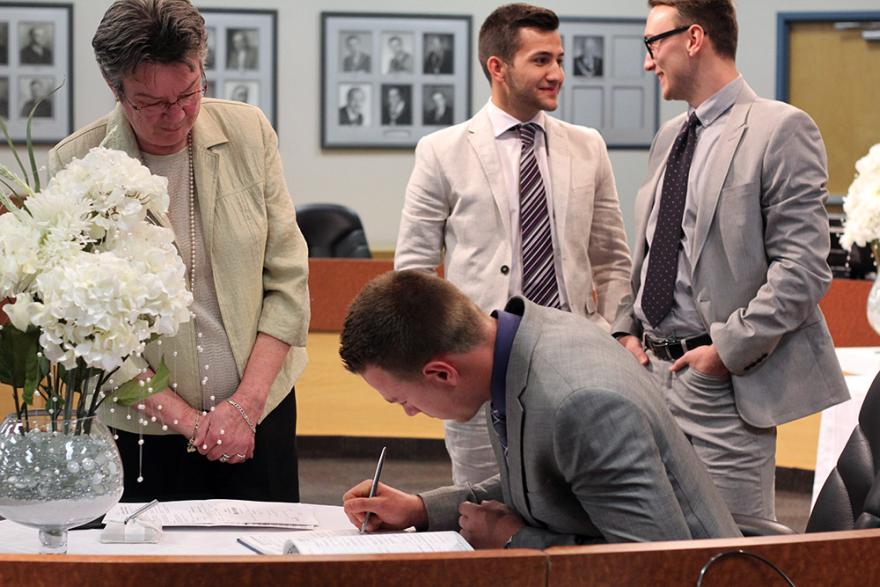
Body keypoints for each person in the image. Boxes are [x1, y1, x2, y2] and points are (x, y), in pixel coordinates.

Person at [48, 0, 310, 503]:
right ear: (116, 90)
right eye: (151, 101)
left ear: (202, 68)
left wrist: (243, 408)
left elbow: (288, 279)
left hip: (259, 414)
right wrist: (191, 422)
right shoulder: (78, 162)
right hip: (141, 428)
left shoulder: (247, 133)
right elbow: (89, 326)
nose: (176, 115)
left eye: (188, 93)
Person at [613, 0, 849, 519]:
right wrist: (625, 330)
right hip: (650, 375)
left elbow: (804, 268)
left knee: (730, 550)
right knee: (652, 539)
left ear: (693, 38)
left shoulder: (781, 129)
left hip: (721, 385)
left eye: (653, 45)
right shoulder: (669, 138)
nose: (648, 62)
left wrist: (725, 350)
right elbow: (653, 247)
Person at [395, 3, 632, 485]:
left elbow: (611, 258)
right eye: (541, 60)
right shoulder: (442, 151)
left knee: (586, 499)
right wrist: (420, 363)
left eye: (559, 59)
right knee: (484, 510)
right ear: (497, 67)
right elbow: (414, 272)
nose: (558, 74)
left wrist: (616, 332)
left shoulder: (588, 145)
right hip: (480, 368)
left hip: (579, 362)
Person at [340, 271, 740, 548]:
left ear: (442, 374)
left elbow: (655, 565)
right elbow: (546, 480)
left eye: (402, 400)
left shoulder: (581, 404)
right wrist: (422, 510)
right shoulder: (522, 341)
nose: (409, 412)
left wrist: (514, 541)